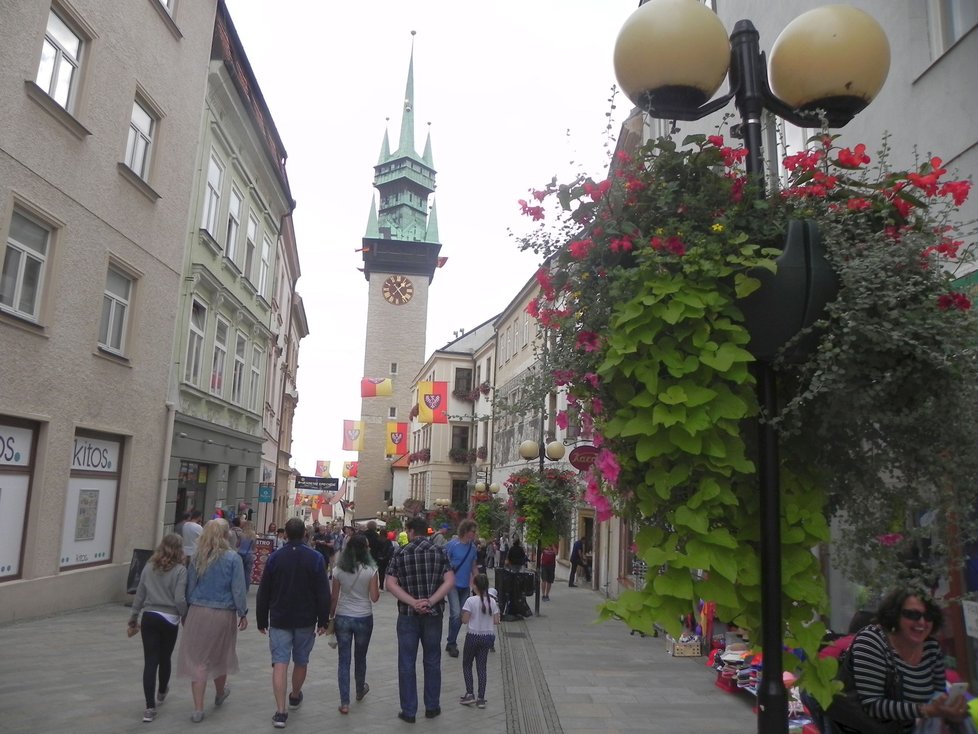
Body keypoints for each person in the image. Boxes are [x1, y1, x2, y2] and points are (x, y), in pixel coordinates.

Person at [846, 589, 968, 733]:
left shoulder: (931, 649)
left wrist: (949, 710)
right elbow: (872, 705)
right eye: (912, 614)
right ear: (895, 615)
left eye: (928, 616)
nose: (922, 622)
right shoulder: (872, 640)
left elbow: (937, 696)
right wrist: (925, 710)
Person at [256, 517, 331, 729]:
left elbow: (264, 591)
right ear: (305, 535)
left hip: (280, 617)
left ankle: (280, 712)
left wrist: (261, 618)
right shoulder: (316, 558)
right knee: (301, 660)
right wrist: (323, 619)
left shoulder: (274, 558)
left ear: (285, 534)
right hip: (305, 619)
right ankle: (295, 695)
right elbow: (323, 593)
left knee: (279, 662)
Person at [176, 519, 248, 724]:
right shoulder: (233, 558)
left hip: (199, 610)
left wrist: (187, 611)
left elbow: (190, 586)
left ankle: (198, 708)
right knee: (221, 655)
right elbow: (238, 589)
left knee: (198, 660)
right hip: (223, 612)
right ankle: (219, 692)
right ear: (226, 535)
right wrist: (242, 612)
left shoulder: (199, 556)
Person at [385, 516, 455, 723]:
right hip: (433, 614)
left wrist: (413, 602)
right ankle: (432, 706)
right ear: (427, 532)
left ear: (411, 531)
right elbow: (450, 581)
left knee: (407, 662)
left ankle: (409, 711)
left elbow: (390, 583)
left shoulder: (401, 553)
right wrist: (431, 601)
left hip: (408, 615)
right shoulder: (439, 552)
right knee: (432, 659)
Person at [128, 533, 188, 723]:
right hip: (170, 618)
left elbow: (140, 594)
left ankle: (149, 707)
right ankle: (162, 691)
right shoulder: (180, 570)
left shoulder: (148, 567)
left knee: (150, 661)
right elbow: (179, 598)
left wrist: (133, 617)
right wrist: (184, 614)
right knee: (165, 657)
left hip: (150, 617)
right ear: (179, 550)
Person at [330, 533, 380, 714]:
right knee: (360, 657)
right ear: (365, 549)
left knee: (344, 660)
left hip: (343, 616)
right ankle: (360, 689)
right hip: (364, 617)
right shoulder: (371, 569)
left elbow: (334, 597)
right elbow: (374, 598)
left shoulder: (338, 569)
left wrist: (330, 616)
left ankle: (344, 702)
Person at [458, 573, 500, 709]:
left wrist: (463, 615)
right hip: (487, 637)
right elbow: (496, 620)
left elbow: (464, 620)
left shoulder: (470, 601)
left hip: (473, 636)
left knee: (467, 664)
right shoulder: (492, 601)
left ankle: (470, 693)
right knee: (482, 667)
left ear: (474, 586)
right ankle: (481, 698)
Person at [444, 519, 479, 658]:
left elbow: (473, 566)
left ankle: (451, 641)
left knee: (460, 616)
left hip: (465, 586)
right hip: (452, 585)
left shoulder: (473, 548)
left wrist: (478, 583)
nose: (474, 534)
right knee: (456, 613)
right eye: (473, 531)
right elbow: (444, 563)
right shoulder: (452, 545)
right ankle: (452, 643)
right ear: (465, 531)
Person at [231, 518, 257, 591]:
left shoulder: (242, 534)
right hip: (249, 555)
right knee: (247, 573)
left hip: (240, 554)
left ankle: (239, 587)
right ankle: (246, 589)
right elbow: (254, 547)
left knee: (239, 572)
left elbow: (237, 545)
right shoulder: (253, 535)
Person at [364, 520, 392, 590]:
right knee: (378, 571)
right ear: (375, 527)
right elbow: (380, 547)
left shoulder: (363, 535)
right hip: (375, 556)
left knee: (365, 570)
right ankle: (379, 585)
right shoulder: (377, 536)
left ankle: (366, 584)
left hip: (365, 555)